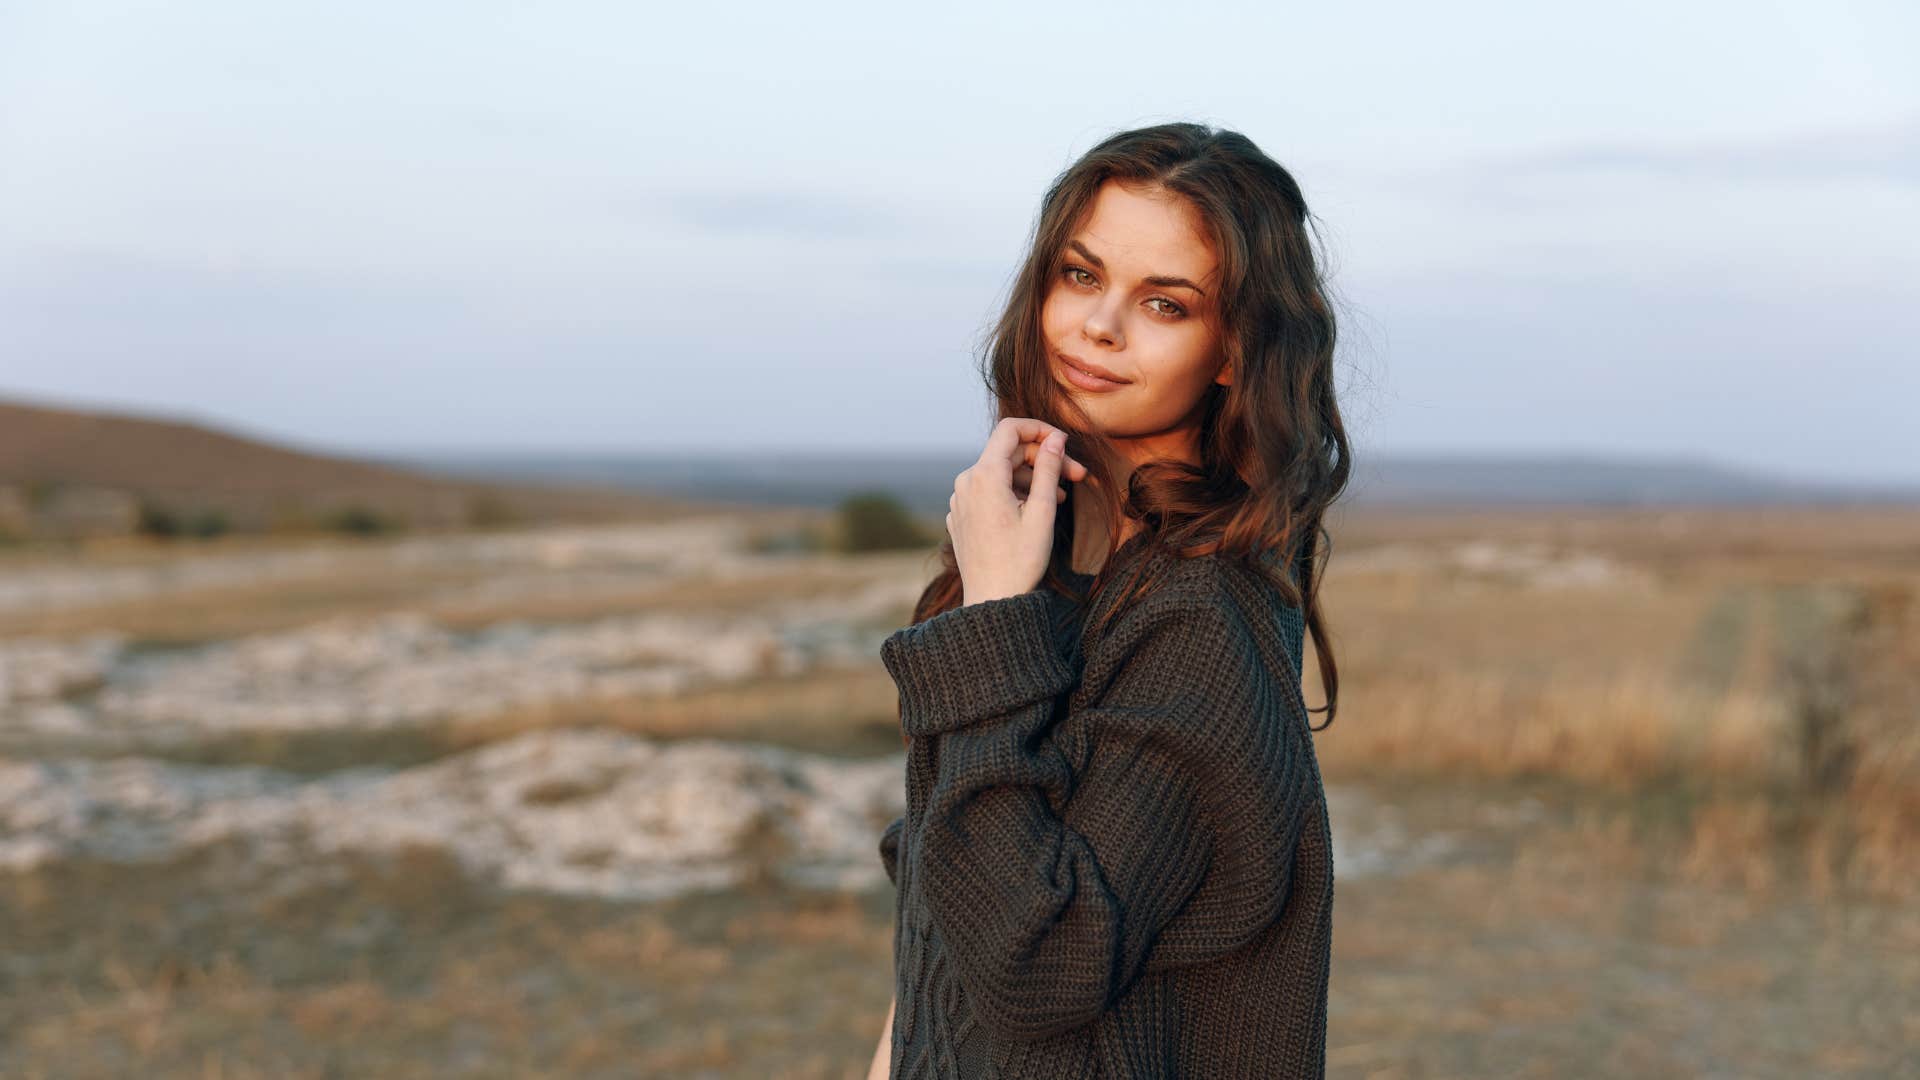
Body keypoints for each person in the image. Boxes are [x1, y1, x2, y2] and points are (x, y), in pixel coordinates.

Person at [867, 121, 1350, 1080]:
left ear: (1231, 352)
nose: (1099, 326)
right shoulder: (1043, 561)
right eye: (1081, 276)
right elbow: (946, 919)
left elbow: (1035, 964)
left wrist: (990, 623)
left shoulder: (1202, 616)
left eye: (1164, 303)